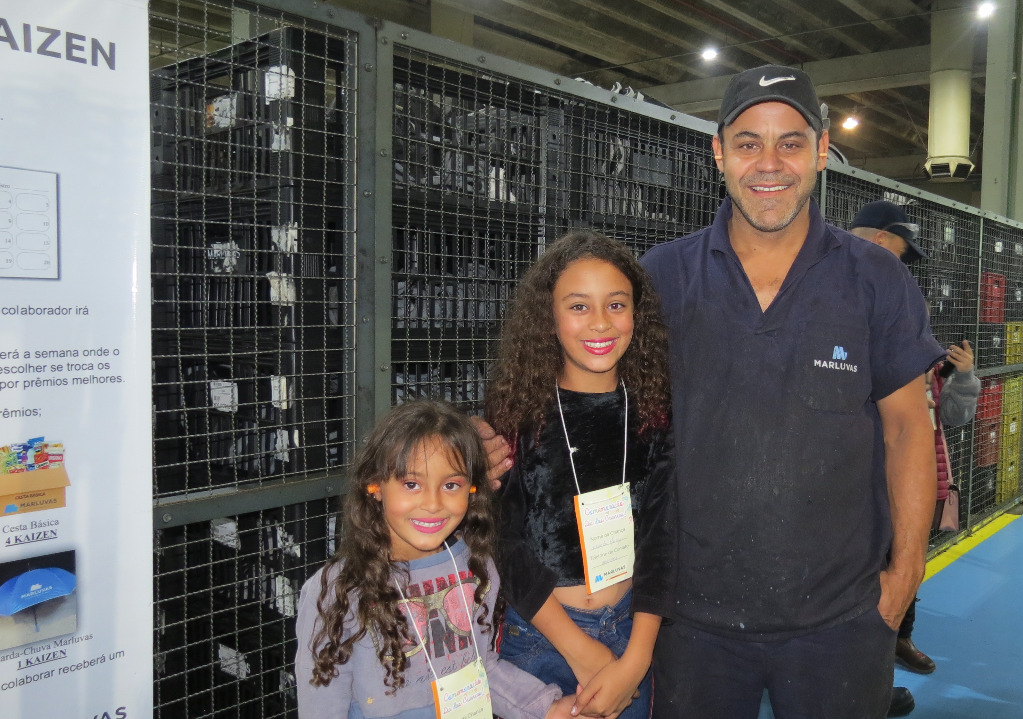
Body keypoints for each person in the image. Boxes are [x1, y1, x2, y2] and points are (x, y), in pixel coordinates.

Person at [638, 65, 944, 719]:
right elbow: (599, 399)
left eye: (791, 142)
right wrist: (502, 433)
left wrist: (906, 573)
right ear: (719, 152)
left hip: (841, 620)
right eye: (748, 143)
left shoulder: (877, 278)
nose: (769, 164)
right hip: (690, 620)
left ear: (822, 151)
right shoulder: (661, 276)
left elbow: (907, 430)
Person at [485, 230, 676, 719]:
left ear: (637, 315)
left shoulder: (655, 414)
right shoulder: (518, 413)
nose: (600, 322)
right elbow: (506, 541)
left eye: (616, 305)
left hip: (631, 634)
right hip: (541, 638)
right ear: (548, 317)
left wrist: (636, 659)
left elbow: (662, 539)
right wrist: (580, 649)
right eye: (578, 306)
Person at [295, 399, 577, 719]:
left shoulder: (476, 567)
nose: (433, 504)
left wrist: (547, 708)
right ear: (375, 486)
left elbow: (483, 670)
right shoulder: (337, 590)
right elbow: (321, 703)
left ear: (472, 489)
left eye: (451, 485)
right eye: (411, 484)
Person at [854, 201, 980, 717]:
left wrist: (963, 375)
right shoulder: (846, 307)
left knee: (904, 567)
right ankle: (865, 683)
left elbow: (946, 415)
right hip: (859, 484)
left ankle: (894, 646)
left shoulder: (902, 325)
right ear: (883, 242)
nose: (902, 270)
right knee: (863, 578)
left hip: (910, 478)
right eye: (902, 255)